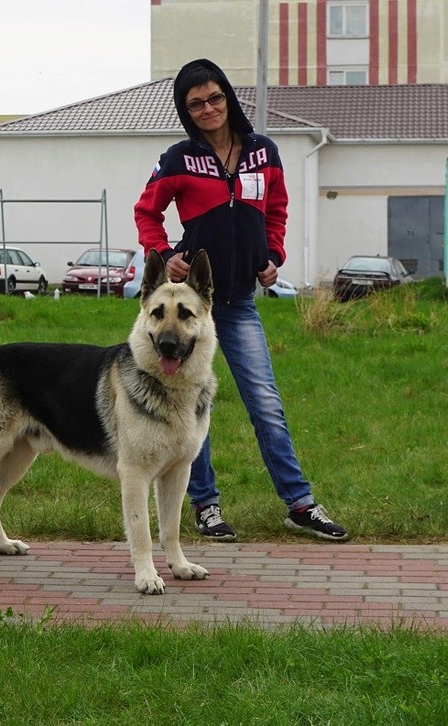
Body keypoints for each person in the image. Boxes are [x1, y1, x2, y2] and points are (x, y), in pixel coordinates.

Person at [134, 58, 349, 543]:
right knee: (187, 403)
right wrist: (165, 255)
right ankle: (205, 506)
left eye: (214, 98)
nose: (208, 109)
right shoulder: (178, 159)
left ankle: (300, 504)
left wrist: (273, 255)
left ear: (228, 97)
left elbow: (276, 211)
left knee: (265, 403)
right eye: (196, 104)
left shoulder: (263, 152)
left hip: (239, 305)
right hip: (191, 309)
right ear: (185, 111)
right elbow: (147, 211)